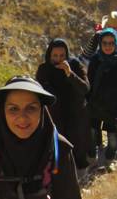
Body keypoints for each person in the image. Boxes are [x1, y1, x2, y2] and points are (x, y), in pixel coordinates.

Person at [35, 38, 92, 169]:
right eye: (55, 56)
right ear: (49, 55)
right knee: (58, 150)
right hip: (55, 116)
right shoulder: (44, 69)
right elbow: (42, 92)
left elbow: (85, 88)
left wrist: (69, 73)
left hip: (76, 114)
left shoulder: (75, 65)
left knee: (78, 148)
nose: (58, 59)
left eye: (62, 56)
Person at [86, 29, 117, 170]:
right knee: (92, 134)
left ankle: (108, 161)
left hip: (115, 106)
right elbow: (89, 83)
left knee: (113, 138)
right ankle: (92, 160)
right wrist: (86, 104)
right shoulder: (96, 59)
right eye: (105, 43)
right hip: (95, 104)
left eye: (111, 43)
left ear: (116, 43)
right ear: (100, 44)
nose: (108, 46)